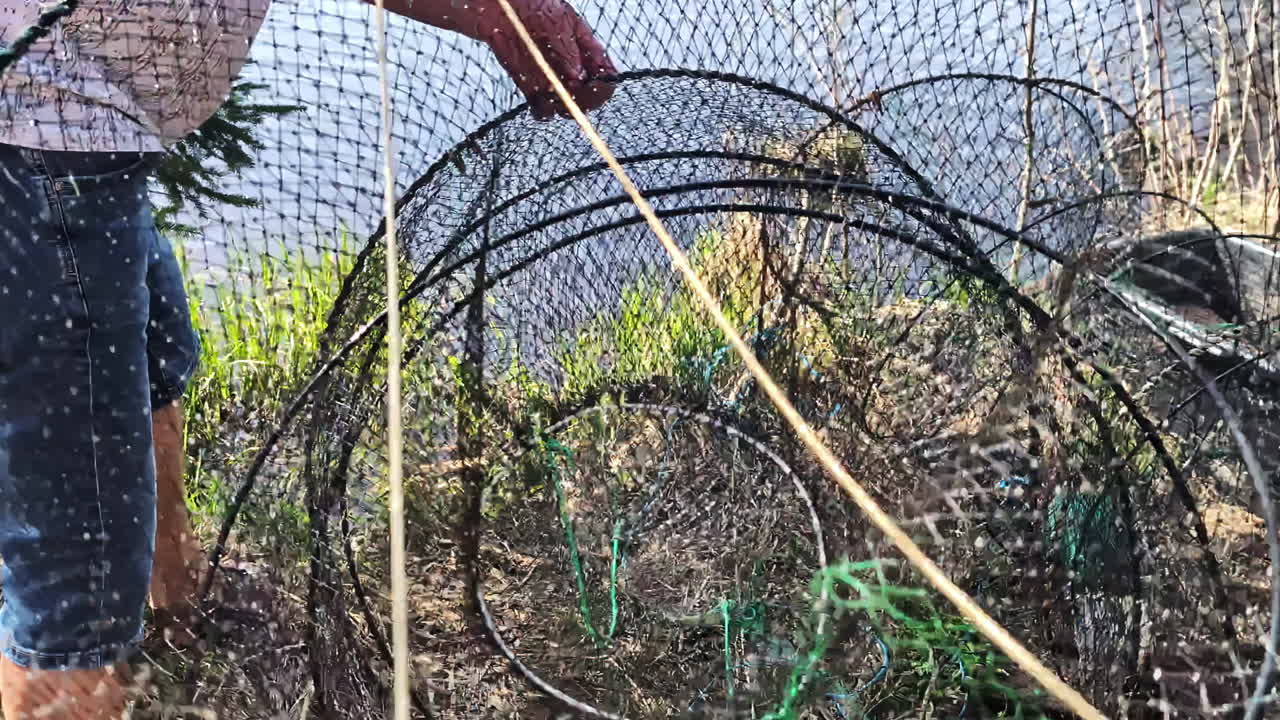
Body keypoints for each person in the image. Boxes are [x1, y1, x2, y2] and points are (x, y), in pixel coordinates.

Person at [0, 1, 616, 718]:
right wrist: (501, 11)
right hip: (35, 134)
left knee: (157, 359)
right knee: (73, 559)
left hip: (88, 128)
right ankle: (70, 666)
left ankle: (175, 605)